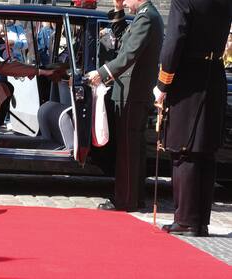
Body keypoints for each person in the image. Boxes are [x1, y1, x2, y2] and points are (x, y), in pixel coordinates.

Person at [153, 0, 232, 237]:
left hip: (188, 78)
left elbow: (174, 42)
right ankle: (200, 221)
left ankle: (186, 219)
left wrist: (162, 83)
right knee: (206, 151)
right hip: (214, 75)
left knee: (183, 149)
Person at [87, 0, 164, 211]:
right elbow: (124, 41)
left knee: (128, 151)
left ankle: (126, 200)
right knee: (133, 149)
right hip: (133, 92)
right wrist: (119, 9)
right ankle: (134, 197)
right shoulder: (145, 15)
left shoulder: (146, 17)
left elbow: (129, 54)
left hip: (133, 93)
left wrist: (102, 74)